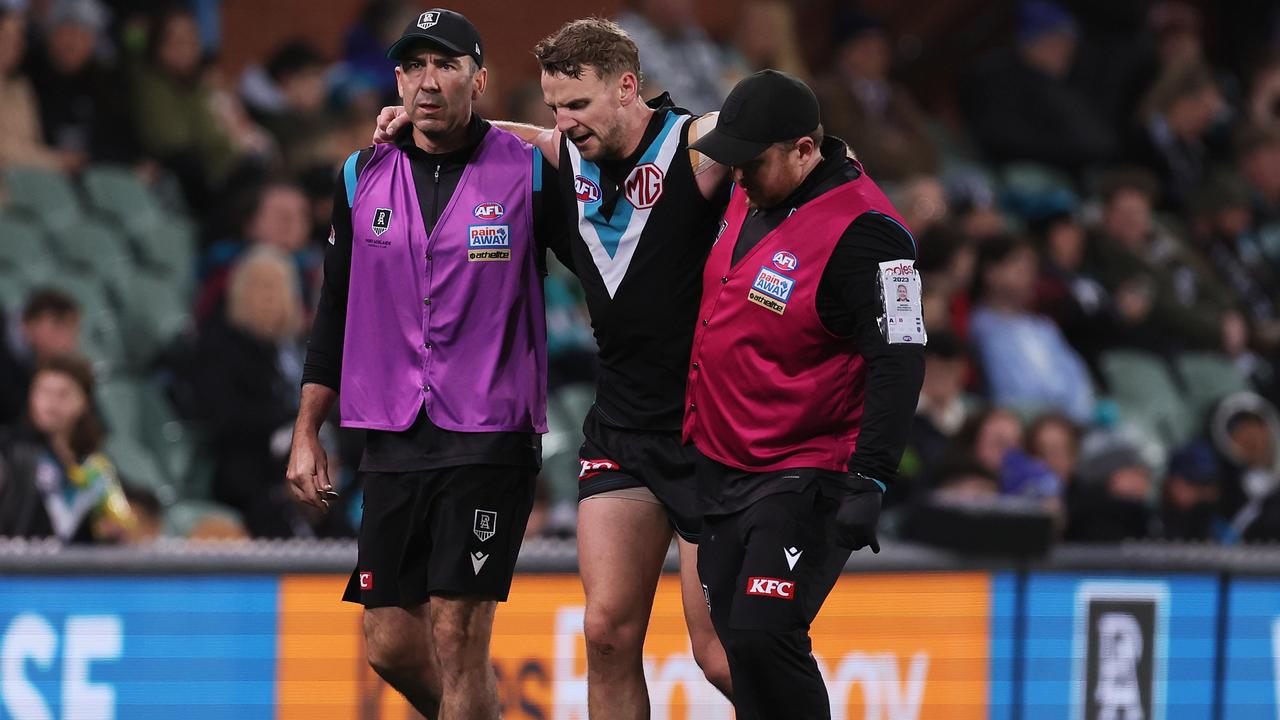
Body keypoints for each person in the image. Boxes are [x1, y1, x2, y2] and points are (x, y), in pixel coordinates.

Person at [376, 16, 735, 717]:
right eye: (555, 107)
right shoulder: (562, 157)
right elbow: (505, 136)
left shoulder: (695, 148)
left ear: (629, 88)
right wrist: (415, 120)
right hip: (624, 431)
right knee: (603, 632)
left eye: (579, 104)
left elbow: (768, 118)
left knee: (719, 652)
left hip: (713, 433)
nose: (564, 122)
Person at [286, 9, 560, 719]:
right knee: (388, 643)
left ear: (480, 79)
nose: (427, 82)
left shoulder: (529, 171)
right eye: (413, 66)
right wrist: (307, 428)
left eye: (445, 65)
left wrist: (528, 133)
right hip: (393, 430)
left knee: (457, 627)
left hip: (490, 430)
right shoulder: (360, 173)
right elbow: (335, 308)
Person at [682, 69, 925, 718]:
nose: (737, 178)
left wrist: (871, 478)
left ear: (804, 150)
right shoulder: (754, 175)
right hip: (721, 463)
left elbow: (901, 359)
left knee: (765, 634)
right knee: (738, 643)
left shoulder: (870, 234)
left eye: (751, 164)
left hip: (805, 470)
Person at [0, 354, 135, 543]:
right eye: (43, 392)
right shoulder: (10, 454)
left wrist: (111, 531)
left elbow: (119, 528)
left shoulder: (97, 468)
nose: (51, 403)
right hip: (19, 569)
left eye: (63, 394)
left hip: (78, 569)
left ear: (83, 402)